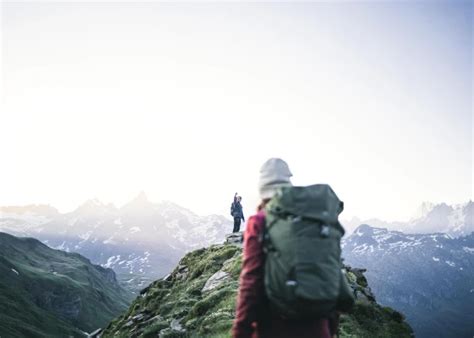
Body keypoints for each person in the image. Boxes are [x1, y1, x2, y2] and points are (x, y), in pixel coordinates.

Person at [232, 158, 339, 338]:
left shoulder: (260, 221)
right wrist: (330, 327)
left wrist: (241, 331)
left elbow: (251, 281)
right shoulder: (312, 219)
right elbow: (330, 271)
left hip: (275, 327)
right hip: (319, 326)